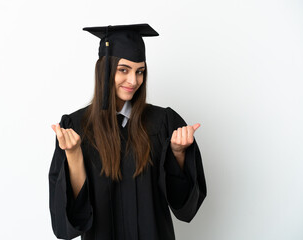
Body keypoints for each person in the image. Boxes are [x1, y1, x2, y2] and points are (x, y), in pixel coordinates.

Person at [48, 23, 207, 240]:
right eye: (124, 70)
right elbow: (70, 222)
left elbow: (184, 207)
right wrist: (74, 154)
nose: (134, 81)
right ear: (104, 70)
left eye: (140, 71)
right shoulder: (76, 127)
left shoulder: (163, 123)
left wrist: (178, 154)